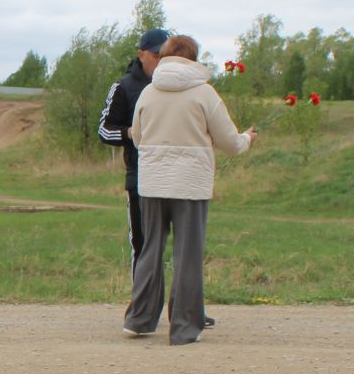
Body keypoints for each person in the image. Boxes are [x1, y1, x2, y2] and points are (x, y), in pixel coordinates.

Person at [122, 35, 253, 343]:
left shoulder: (148, 92)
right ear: (194, 59)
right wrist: (247, 139)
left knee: (151, 248)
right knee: (187, 254)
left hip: (152, 182)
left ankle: (139, 319)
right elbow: (230, 143)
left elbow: (138, 137)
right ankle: (184, 326)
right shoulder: (204, 93)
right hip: (191, 184)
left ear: (164, 57)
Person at [98, 28, 168, 268]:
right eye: (156, 55)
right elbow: (104, 130)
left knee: (172, 244)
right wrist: (129, 133)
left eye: (165, 55)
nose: (161, 61)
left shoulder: (176, 86)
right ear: (142, 54)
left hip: (174, 176)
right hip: (139, 178)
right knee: (142, 242)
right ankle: (141, 301)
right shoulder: (123, 87)